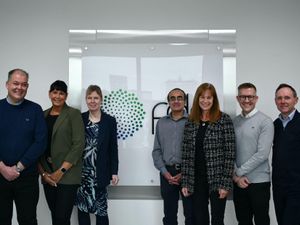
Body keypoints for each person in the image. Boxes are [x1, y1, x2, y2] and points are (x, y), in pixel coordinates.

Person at [181, 83, 235, 225]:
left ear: (214, 99)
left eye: (209, 97)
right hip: (196, 180)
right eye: (202, 97)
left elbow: (230, 153)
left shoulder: (224, 120)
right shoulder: (190, 122)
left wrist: (225, 184)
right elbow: (186, 155)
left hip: (217, 180)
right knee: (200, 219)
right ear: (197, 99)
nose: (205, 101)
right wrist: (185, 182)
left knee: (217, 219)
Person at [0, 68, 47, 225]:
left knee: (28, 220)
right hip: (0, 176)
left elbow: (40, 142)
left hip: (26, 178)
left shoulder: (35, 110)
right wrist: (2, 168)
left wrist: (18, 168)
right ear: (7, 84)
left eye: (24, 84)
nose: (19, 88)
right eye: (15, 83)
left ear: (27, 87)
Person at [38, 80, 85, 225]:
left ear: (66, 95)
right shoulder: (42, 115)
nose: (57, 96)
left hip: (67, 175)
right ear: (49, 94)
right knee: (55, 217)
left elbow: (78, 144)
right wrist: (44, 174)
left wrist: (61, 171)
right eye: (54, 92)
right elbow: (37, 145)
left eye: (61, 93)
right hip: (48, 176)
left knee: (61, 218)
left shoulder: (73, 114)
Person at [76, 85, 119, 225]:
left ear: (101, 99)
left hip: (100, 173)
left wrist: (114, 171)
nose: (92, 101)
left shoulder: (109, 121)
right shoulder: (79, 118)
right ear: (86, 100)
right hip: (82, 174)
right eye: (89, 97)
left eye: (96, 98)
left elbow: (113, 148)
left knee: (101, 211)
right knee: (83, 210)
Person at [232, 83, 274, 225]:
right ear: (238, 98)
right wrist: (236, 177)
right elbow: (229, 152)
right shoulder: (234, 122)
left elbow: (262, 154)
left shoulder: (266, 122)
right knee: (243, 221)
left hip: (259, 182)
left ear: (256, 98)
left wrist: (239, 172)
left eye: (250, 96)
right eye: (243, 96)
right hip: (238, 182)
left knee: (262, 221)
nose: (246, 100)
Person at [152, 88, 192, 225]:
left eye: (179, 98)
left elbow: (197, 152)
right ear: (168, 102)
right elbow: (156, 151)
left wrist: (185, 172)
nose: (176, 101)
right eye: (172, 98)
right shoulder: (161, 123)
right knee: (169, 216)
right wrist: (165, 172)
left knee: (191, 214)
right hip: (167, 174)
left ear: (185, 101)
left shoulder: (193, 122)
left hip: (188, 174)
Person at [272, 83, 300, 225]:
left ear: (296, 100)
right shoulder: (274, 125)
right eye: (279, 98)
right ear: (275, 101)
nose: (283, 101)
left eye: (287, 97)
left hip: (297, 187)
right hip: (278, 186)